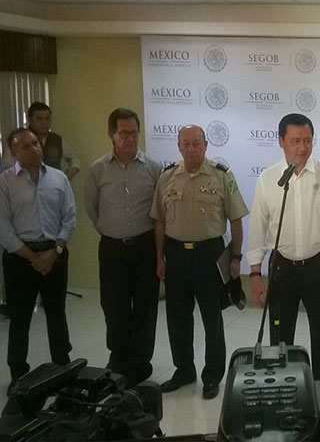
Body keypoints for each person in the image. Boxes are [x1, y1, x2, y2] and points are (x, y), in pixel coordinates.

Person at [247, 113, 320, 381]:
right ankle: (284, 387)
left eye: (307, 140)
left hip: (319, 266)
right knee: (280, 337)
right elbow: (257, 229)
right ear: (281, 141)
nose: (302, 147)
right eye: (295, 141)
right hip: (282, 268)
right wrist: (255, 274)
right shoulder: (268, 179)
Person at [151, 125, 248, 400]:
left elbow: (236, 219)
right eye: (186, 144)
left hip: (209, 256)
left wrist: (236, 257)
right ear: (178, 146)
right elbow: (159, 220)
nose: (191, 149)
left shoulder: (222, 175)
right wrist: (159, 256)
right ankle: (184, 370)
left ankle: (213, 375)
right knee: (177, 318)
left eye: (197, 143)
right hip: (176, 255)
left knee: (212, 318)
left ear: (206, 145)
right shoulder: (167, 176)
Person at [84, 108, 162, 387]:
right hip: (112, 249)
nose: (130, 138)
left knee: (145, 305)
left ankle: (141, 360)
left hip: (144, 247)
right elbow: (92, 208)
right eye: (123, 133)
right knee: (114, 305)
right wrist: (112, 230)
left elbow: (159, 212)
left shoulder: (153, 168)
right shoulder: (98, 169)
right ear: (111, 135)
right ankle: (118, 358)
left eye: (134, 133)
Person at [0, 128, 76, 396]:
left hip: (55, 254)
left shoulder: (58, 178)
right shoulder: (5, 182)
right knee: (20, 318)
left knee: (56, 314)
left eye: (36, 143)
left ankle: (62, 368)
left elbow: (69, 217)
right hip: (20, 259)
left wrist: (55, 251)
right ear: (13, 152)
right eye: (26, 146)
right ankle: (18, 374)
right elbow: (3, 227)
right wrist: (33, 257)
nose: (34, 148)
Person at [0, 102, 81, 179]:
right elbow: (5, 168)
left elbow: (74, 160)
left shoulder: (57, 140)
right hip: (25, 185)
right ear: (30, 120)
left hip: (53, 185)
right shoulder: (20, 140)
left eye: (47, 118)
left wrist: (67, 176)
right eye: (39, 119)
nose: (44, 123)